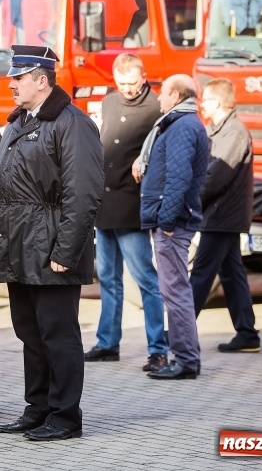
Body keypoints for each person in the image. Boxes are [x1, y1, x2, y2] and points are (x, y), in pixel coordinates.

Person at [0, 45, 103, 441]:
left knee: (58, 335)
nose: (11, 84)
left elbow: (84, 192)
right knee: (30, 332)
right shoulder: (21, 120)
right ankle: (37, 407)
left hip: (51, 247)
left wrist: (65, 252)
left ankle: (64, 416)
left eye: (18, 78)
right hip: (22, 246)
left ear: (42, 80)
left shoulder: (71, 123)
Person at [84, 54, 168, 372]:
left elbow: (160, 150)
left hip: (131, 204)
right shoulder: (109, 102)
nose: (128, 90)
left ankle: (158, 348)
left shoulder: (156, 108)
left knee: (145, 278)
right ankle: (107, 343)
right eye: (121, 84)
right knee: (107, 278)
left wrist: (145, 165)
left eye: (133, 83)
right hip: (105, 205)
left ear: (143, 77)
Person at [133, 74, 210, 380]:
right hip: (172, 220)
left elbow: (178, 179)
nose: (158, 99)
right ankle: (186, 357)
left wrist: (165, 221)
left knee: (175, 293)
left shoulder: (182, 126)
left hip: (173, 224)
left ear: (176, 96)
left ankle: (186, 360)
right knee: (176, 291)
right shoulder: (181, 124)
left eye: (163, 93)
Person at [191, 78, 260, 352]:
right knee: (232, 275)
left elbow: (214, 178)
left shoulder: (233, 133)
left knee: (200, 275)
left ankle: (179, 332)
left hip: (222, 217)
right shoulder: (218, 130)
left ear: (217, 102)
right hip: (220, 216)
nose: (202, 104)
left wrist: (189, 203)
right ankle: (247, 334)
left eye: (205, 100)